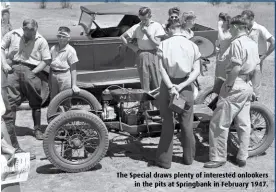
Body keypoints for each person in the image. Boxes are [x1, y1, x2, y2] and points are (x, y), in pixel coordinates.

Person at [204, 15, 260, 168]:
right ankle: (242, 156)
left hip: (235, 84)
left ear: (235, 26)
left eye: (230, 26)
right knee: (244, 123)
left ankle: (218, 157)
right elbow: (256, 68)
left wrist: (228, 85)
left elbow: (235, 66)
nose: (229, 29)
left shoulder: (237, 43)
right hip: (247, 84)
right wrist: (254, 88)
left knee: (219, 123)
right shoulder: (252, 43)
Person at [150, 19, 201, 169]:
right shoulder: (192, 45)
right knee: (186, 123)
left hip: (168, 86)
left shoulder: (164, 45)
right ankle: (188, 158)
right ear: (181, 29)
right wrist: (181, 86)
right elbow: (196, 71)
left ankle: (164, 161)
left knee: (167, 123)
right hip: (185, 87)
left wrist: (171, 86)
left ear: (170, 29)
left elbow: (161, 69)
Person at [1, 19, 51, 140]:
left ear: (36, 28)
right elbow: (1, 47)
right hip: (14, 69)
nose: (30, 33)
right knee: (10, 101)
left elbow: (46, 60)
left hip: (32, 70)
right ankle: (10, 131)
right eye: (27, 30)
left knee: (36, 100)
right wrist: (4, 64)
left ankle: (37, 129)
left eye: (33, 30)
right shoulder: (13, 35)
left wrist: (34, 72)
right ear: (23, 29)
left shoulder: (41, 40)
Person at [120, 7, 166, 93]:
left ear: (150, 16)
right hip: (142, 54)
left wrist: (147, 34)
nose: (143, 22)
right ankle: (146, 104)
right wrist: (134, 48)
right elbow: (122, 37)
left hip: (154, 53)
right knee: (144, 81)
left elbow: (157, 43)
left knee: (156, 80)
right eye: (141, 19)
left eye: (145, 19)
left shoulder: (156, 26)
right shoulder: (137, 27)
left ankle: (158, 103)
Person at [241, 10, 275, 100]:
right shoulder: (243, 29)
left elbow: (273, 42)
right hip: (245, 61)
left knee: (255, 88)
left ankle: (256, 109)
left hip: (256, 60)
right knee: (244, 87)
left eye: (244, 19)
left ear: (251, 19)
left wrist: (264, 56)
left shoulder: (260, 29)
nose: (242, 21)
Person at [208, 13, 232, 110]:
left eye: (221, 20)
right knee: (218, 81)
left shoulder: (230, 32)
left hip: (226, 60)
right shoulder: (223, 31)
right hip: (220, 59)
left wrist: (219, 27)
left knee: (223, 81)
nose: (219, 22)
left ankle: (223, 104)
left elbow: (222, 39)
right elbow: (220, 42)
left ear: (226, 21)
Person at [49, 26, 80, 102]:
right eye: (59, 36)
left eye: (64, 36)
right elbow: (50, 65)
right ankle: (54, 113)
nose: (61, 38)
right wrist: (49, 79)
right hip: (54, 74)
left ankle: (68, 113)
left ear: (68, 38)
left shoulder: (70, 51)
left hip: (64, 76)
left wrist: (74, 85)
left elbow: (73, 68)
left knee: (65, 99)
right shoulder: (53, 48)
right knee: (53, 99)